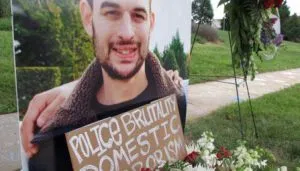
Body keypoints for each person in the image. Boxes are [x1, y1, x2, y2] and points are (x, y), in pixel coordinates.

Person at [23, 0, 187, 170]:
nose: (126, 33)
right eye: (111, 13)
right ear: (88, 18)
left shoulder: (178, 105)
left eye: (138, 15)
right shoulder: (52, 147)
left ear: (150, 23)